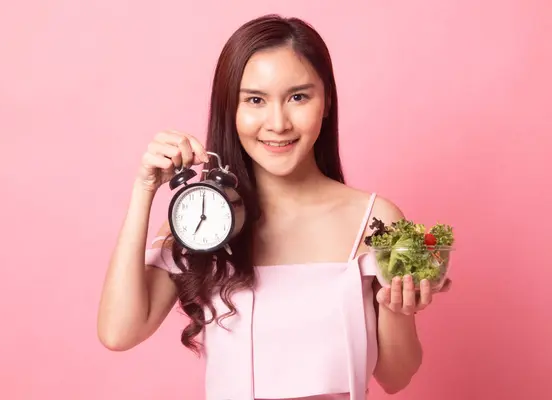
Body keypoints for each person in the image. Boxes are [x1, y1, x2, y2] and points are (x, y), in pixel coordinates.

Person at [97, 14, 450, 400]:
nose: (278, 123)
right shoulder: (205, 219)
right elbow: (119, 332)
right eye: (255, 100)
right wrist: (144, 188)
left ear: (327, 100)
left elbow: (397, 377)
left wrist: (398, 307)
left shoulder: (375, 219)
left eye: (298, 97)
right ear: (230, 110)